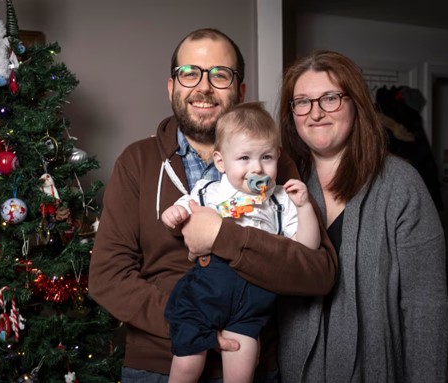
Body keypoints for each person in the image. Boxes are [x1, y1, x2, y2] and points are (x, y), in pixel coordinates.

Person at [88, 28, 338, 382]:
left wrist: (222, 236)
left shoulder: (274, 168)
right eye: (189, 73)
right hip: (160, 362)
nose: (204, 87)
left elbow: (318, 271)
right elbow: (107, 278)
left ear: (240, 91)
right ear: (172, 86)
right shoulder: (137, 162)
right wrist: (193, 324)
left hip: (250, 356)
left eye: (220, 75)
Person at [273, 50, 448, 382]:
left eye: (330, 98)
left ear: (356, 103)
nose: (316, 113)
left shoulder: (401, 185)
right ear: (291, 114)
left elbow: (426, 308)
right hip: (292, 372)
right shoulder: (279, 187)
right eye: (302, 102)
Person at [162, 102, 321, 383]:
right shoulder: (209, 189)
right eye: (244, 158)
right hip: (206, 290)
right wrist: (174, 212)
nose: (256, 168)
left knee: (241, 372)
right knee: (187, 364)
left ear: (278, 156)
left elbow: (307, 248)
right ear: (221, 162)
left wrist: (305, 207)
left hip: (252, 300)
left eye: (267, 157)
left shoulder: (282, 199)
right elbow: (183, 209)